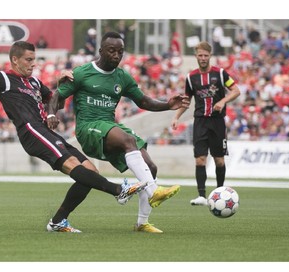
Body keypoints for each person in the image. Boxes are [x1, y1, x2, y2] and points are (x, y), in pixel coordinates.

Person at [0, 41, 147, 233]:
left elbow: (56, 102)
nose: (33, 64)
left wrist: (61, 84)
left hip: (46, 131)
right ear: (15, 60)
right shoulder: (3, 78)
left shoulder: (34, 83)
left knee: (90, 171)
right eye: (29, 59)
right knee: (72, 165)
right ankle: (119, 190)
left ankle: (59, 221)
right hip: (30, 131)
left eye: (35, 59)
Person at [48, 32, 190, 233]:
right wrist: (50, 115)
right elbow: (56, 95)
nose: (116, 55)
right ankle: (153, 190)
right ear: (101, 51)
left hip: (108, 125)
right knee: (128, 140)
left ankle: (142, 222)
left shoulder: (122, 76)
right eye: (112, 51)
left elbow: (143, 101)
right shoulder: (82, 73)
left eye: (120, 52)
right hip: (88, 127)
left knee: (150, 167)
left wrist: (168, 105)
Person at [171, 41, 241, 206]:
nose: (203, 58)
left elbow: (236, 91)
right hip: (200, 122)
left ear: (210, 56)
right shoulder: (191, 77)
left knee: (219, 160)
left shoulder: (220, 73)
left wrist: (223, 101)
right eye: (200, 55)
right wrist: (176, 117)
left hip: (217, 122)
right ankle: (201, 195)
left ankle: (220, 193)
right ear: (196, 56)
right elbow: (186, 101)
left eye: (206, 55)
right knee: (200, 160)